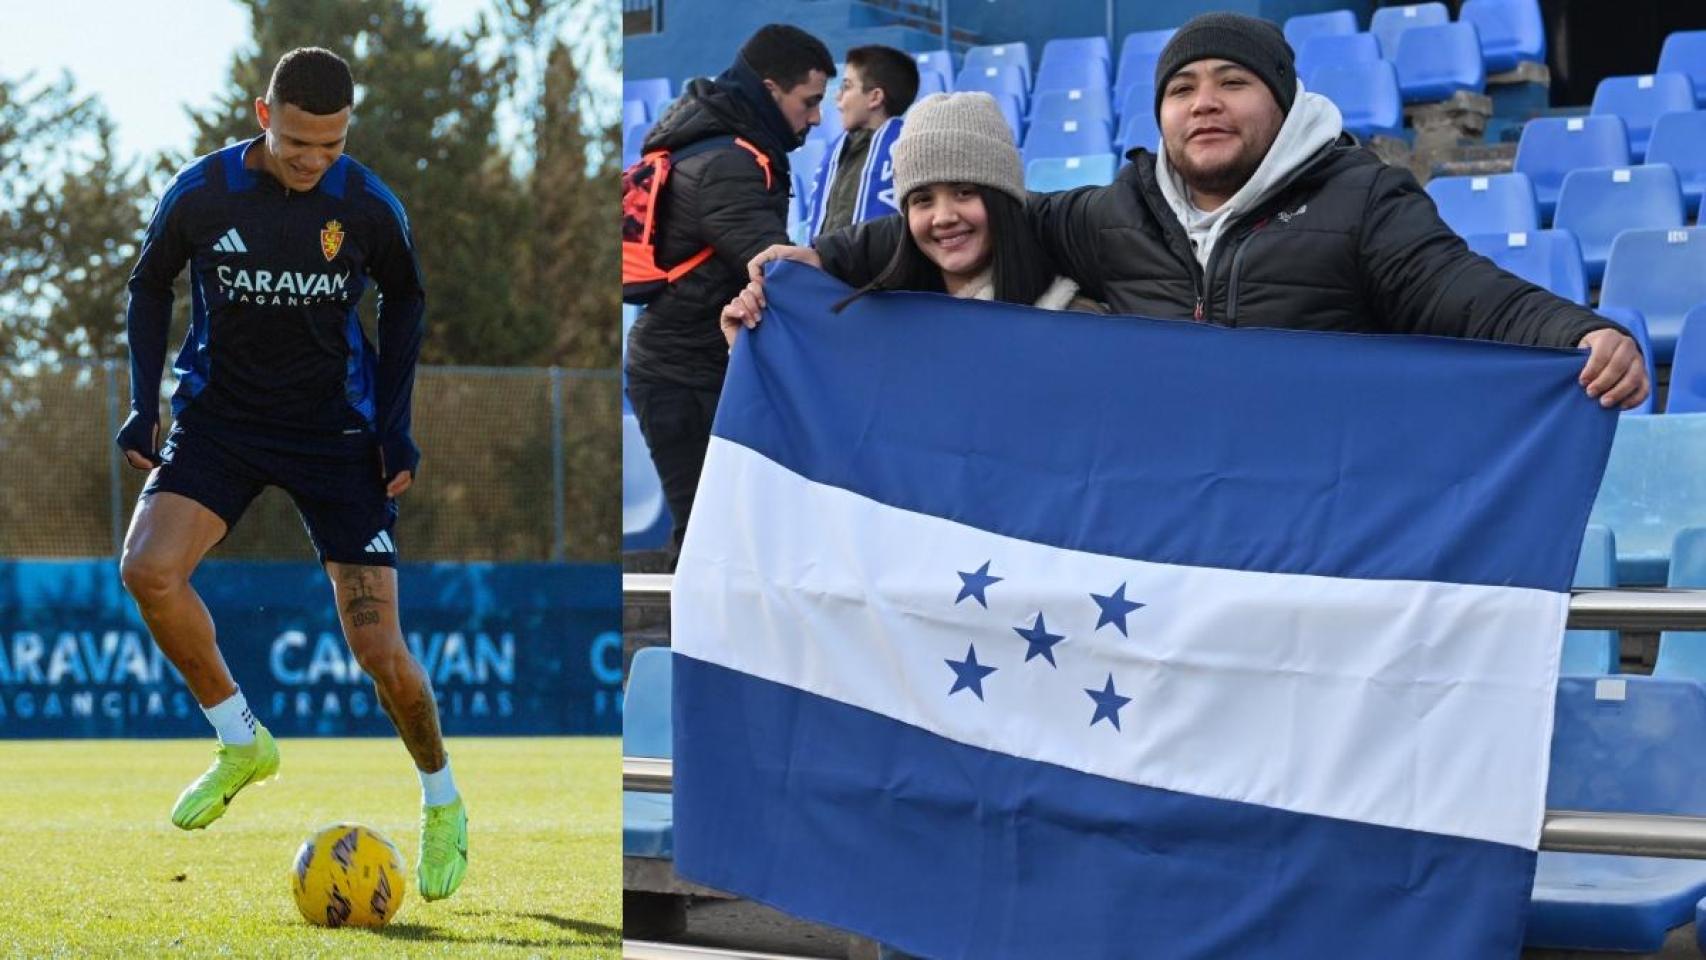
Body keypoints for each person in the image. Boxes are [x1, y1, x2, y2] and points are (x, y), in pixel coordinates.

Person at [805, 12, 1650, 410]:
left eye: (1231, 83)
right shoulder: (1114, 212)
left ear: (1282, 104)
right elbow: (981, 215)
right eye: (1181, 89)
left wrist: (1580, 333)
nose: (1203, 104)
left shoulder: (1363, 199)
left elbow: (1463, 291)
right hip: (1167, 527)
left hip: (1314, 523)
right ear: (1160, 115)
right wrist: (819, 262)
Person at [116, 47, 467, 901]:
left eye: (333, 146)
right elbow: (148, 285)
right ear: (263, 115)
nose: (315, 162)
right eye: (300, 143)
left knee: (380, 651)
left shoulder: (368, 205)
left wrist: (395, 429)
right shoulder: (204, 192)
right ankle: (241, 739)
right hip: (221, 423)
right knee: (147, 571)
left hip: (335, 435)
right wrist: (141, 402)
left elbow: (407, 300)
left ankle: (442, 799)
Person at [625, 24, 835, 556]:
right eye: (809, 102)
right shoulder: (727, 164)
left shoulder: (724, 143)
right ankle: (685, 640)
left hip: (695, 367)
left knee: (727, 537)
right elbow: (774, 268)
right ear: (769, 90)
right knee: (708, 541)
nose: (815, 118)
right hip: (684, 375)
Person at [723, 91, 1102, 341]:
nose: (943, 217)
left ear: (1004, 200)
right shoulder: (879, 321)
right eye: (922, 199)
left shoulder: (1077, 322)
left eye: (965, 192)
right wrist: (754, 346)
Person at [805, 44, 919, 239]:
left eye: (846, 86)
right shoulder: (840, 152)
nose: (838, 97)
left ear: (875, 97)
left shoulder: (908, 151)